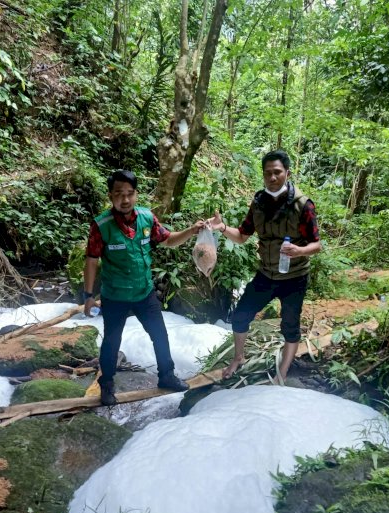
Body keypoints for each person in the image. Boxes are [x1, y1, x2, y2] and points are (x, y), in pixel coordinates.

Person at [83, 169, 205, 406]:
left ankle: (166, 376)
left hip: (143, 291)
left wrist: (191, 231)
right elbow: (91, 260)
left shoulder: (147, 219)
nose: (125, 199)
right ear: (110, 196)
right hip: (115, 295)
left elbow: (168, 240)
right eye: (119, 194)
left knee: (159, 334)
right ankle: (106, 386)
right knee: (111, 341)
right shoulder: (101, 225)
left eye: (130, 193)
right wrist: (88, 296)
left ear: (136, 195)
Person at [207, 150, 322, 383]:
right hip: (267, 274)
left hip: (294, 276)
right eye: (268, 173)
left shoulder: (303, 205)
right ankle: (238, 358)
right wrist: (221, 228)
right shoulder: (258, 202)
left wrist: (299, 251)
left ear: (287, 173)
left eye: (277, 172)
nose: (272, 177)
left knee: (290, 325)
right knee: (240, 316)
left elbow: (317, 245)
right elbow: (241, 236)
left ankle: (283, 372)